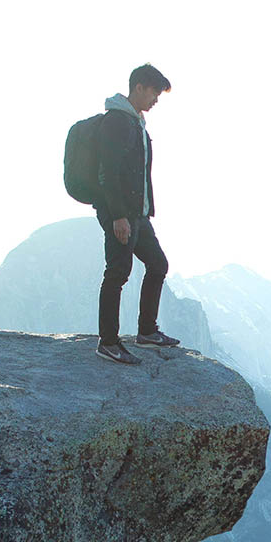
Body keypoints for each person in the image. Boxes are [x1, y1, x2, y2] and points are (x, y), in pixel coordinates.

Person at [93, 64, 180, 364]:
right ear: (139, 87)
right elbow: (108, 172)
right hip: (121, 214)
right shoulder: (117, 121)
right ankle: (108, 342)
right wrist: (118, 216)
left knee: (158, 264)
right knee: (118, 272)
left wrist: (141, 212)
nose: (156, 99)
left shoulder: (136, 122)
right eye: (154, 92)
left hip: (138, 215)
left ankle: (147, 332)